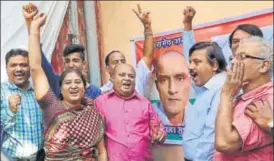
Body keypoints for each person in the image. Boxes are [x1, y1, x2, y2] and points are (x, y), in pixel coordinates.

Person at [28, 9, 107, 161]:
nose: (73, 86)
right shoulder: (52, 105)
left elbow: (101, 151)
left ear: (85, 88)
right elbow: (36, 68)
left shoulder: (93, 113)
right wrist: (34, 30)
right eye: (68, 82)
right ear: (60, 88)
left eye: (77, 82)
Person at [23, 3, 101, 99]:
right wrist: (31, 26)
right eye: (67, 61)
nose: (71, 65)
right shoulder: (57, 83)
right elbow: (39, 62)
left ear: (84, 64)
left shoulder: (95, 92)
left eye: (75, 60)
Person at [214, 36, 273, 161]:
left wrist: (226, 95)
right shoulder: (245, 96)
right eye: (233, 57)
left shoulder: (267, 100)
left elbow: (224, 143)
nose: (234, 62)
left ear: (264, 65)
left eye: (242, 57)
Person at [95, 63, 165, 161]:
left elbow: (158, 130)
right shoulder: (100, 102)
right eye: (122, 75)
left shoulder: (145, 103)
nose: (127, 78)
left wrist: (160, 135)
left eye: (131, 76)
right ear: (112, 78)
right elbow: (95, 136)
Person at [100, 4, 154, 96]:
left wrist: (147, 26)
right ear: (108, 69)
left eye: (122, 61)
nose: (120, 64)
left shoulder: (136, 78)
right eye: (115, 62)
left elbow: (147, 56)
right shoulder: (103, 92)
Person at [1, 48, 43, 160]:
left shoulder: (38, 91)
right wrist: (10, 111)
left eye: (23, 65)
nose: (18, 69)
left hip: (39, 157)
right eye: (13, 65)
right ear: (6, 68)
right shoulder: (1, 92)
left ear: (30, 68)